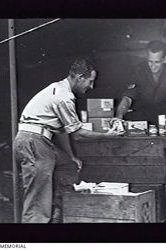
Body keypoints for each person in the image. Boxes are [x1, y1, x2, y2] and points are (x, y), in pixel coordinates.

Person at [13, 58, 123, 223]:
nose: (91, 87)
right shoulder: (64, 96)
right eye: (90, 82)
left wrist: (71, 156)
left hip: (41, 141)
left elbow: (63, 131)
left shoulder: (59, 89)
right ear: (79, 78)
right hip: (33, 142)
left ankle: (57, 214)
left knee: (67, 165)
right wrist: (108, 135)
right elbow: (77, 133)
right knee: (37, 203)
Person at [115, 40, 166, 124]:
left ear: (165, 59)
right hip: (144, 117)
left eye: (157, 62)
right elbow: (128, 97)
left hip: (165, 117)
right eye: (150, 61)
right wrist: (119, 116)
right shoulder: (139, 69)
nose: (153, 66)